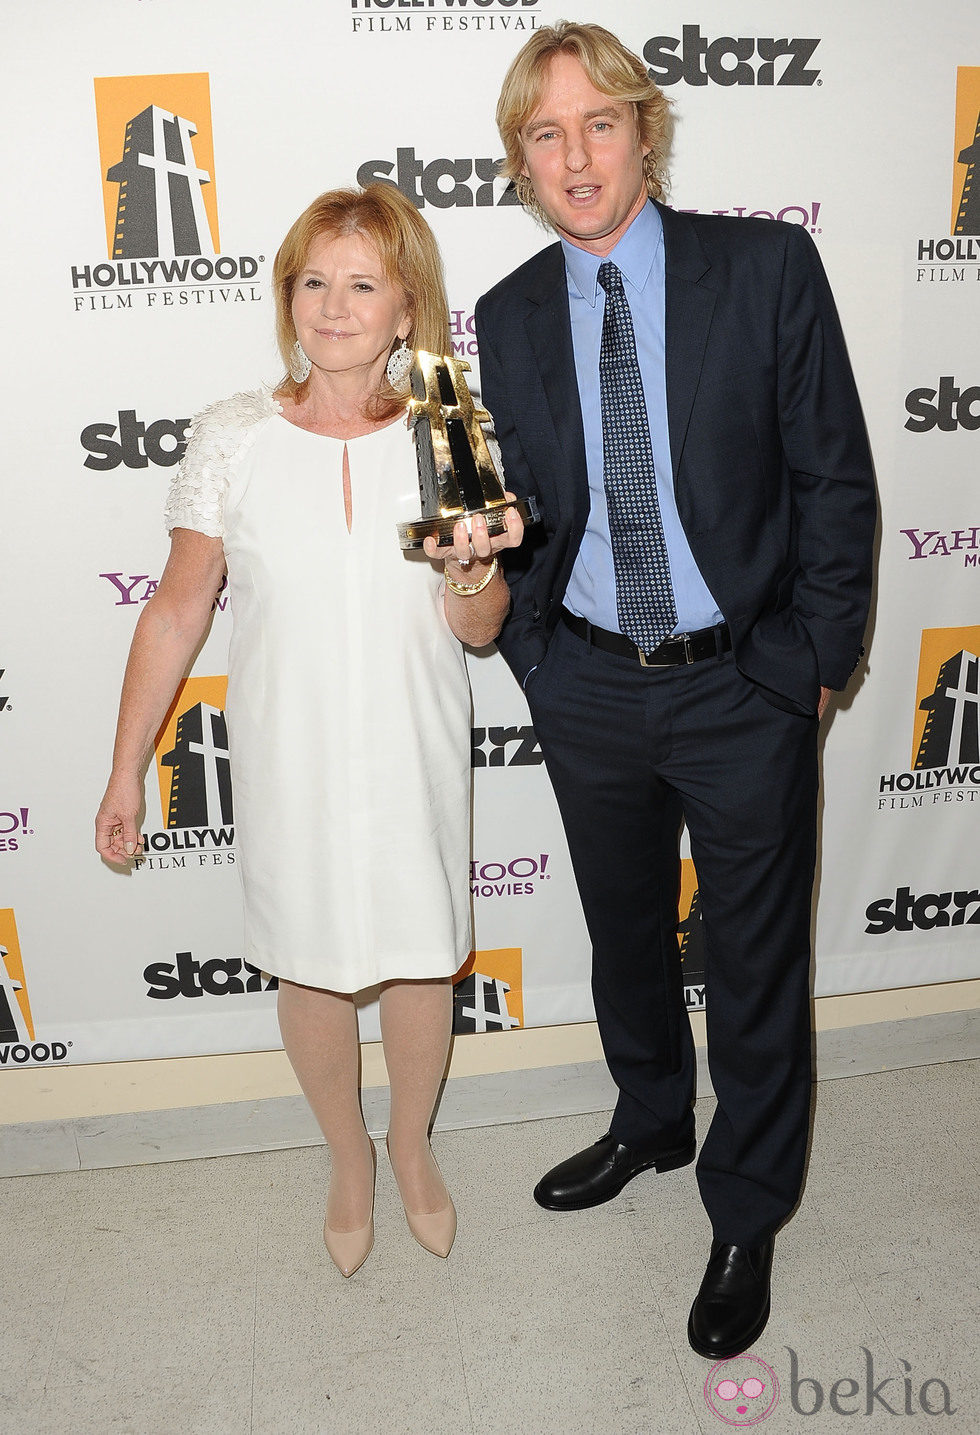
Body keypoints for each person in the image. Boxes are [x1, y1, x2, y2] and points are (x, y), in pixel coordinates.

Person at [476, 22, 876, 1358]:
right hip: (587, 677)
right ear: (522, 162)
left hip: (745, 683)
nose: (576, 155)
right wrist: (532, 651)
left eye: (599, 123)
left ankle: (748, 1201)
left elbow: (834, 476)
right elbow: (523, 511)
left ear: (647, 131)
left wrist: (814, 662)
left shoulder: (764, 267)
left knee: (755, 958)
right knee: (624, 929)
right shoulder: (511, 311)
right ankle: (652, 1116)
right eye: (547, 133)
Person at [95, 183, 524, 1278]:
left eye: (362, 284)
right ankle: (347, 1159)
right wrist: (125, 770)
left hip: (412, 747)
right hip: (288, 759)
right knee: (311, 969)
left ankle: (412, 1147)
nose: (333, 306)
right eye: (313, 281)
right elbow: (179, 606)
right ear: (288, 297)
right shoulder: (233, 435)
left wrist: (470, 565)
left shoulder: (449, 426)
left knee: (422, 959)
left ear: (404, 310)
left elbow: (479, 628)